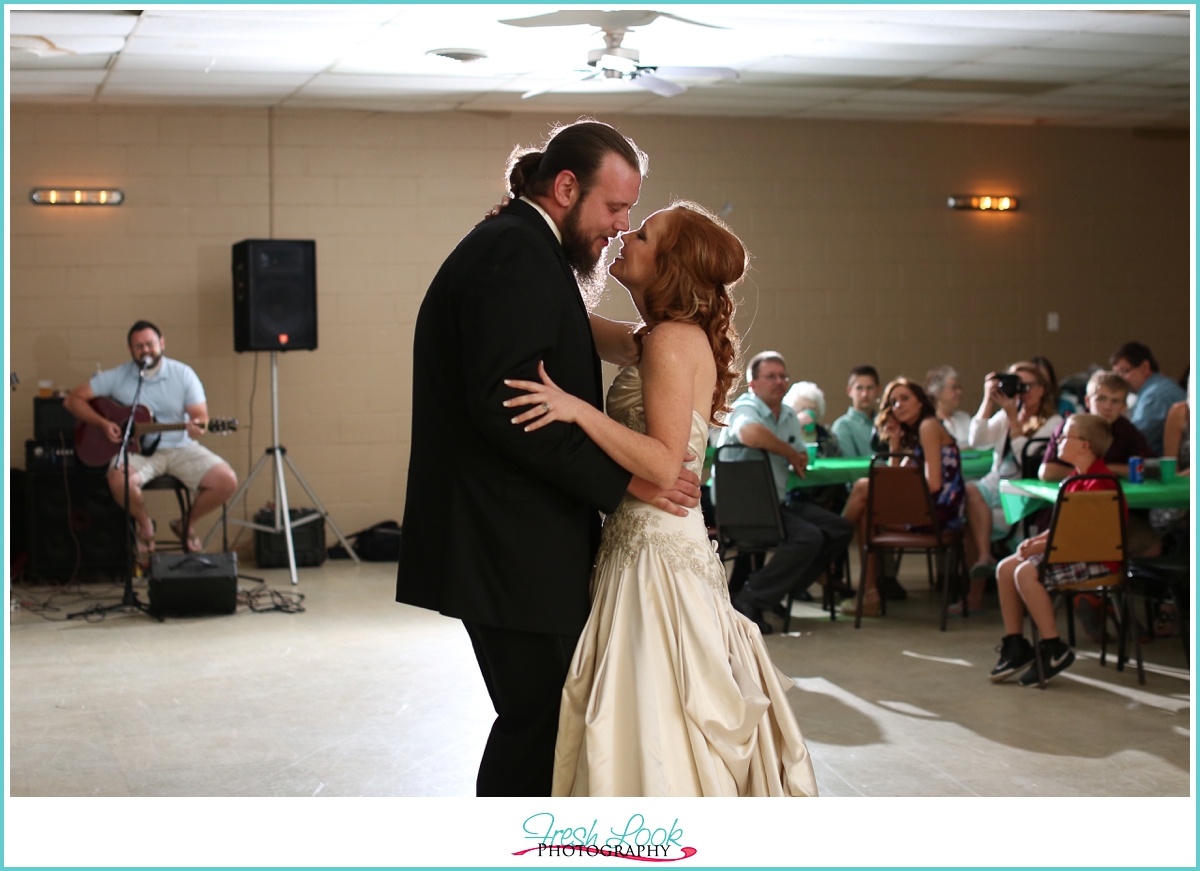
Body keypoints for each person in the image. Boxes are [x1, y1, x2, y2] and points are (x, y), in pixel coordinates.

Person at [395, 122, 701, 798]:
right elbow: (513, 409)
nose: (621, 227)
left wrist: (674, 340)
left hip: (514, 539)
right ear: (566, 187)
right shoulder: (515, 252)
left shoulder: (526, 247)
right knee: (542, 718)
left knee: (546, 715)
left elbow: (574, 336)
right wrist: (627, 483)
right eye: (615, 208)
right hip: (506, 541)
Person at [505, 202, 817, 796]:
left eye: (643, 234)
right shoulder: (654, 337)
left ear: (669, 265)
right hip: (642, 538)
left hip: (656, 551)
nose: (626, 234)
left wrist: (576, 412)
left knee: (652, 711)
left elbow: (661, 462)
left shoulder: (673, 340)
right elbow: (571, 316)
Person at [63, 320, 238, 555]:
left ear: (161, 343)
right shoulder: (119, 375)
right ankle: (145, 523)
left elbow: (200, 416)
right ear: (130, 349)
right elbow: (72, 399)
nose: (145, 350)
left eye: (150, 344)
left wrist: (197, 426)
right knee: (118, 480)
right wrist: (103, 424)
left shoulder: (183, 374)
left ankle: (186, 524)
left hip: (180, 447)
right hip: (138, 452)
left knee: (227, 480)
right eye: (138, 346)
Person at [717, 352, 855, 635]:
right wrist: (790, 453)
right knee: (808, 537)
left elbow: (801, 453)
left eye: (783, 376)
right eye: (771, 376)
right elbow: (750, 435)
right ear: (753, 384)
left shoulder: (789, 415)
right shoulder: (744, 407)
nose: (780, 382)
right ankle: (751, 598)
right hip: (745, 509)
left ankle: (774, 591)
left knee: (839, 528)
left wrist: (799, 457)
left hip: (777, 502)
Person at [988, 414, 1122, 687]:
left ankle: (1053, 647)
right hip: (1073, 550)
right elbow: (1064, 525)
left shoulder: (1100, 484)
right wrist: (1037, 541)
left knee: (1026, 572)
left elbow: (1083, 536)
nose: (1058, 440)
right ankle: (1015, 644)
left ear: (1085, 445)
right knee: (1006, 567)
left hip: (1098, 558)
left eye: (1065, 436)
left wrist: (1040, 545)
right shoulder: (1076, 478)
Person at [840, 378, 966, 617]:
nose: (898, 406)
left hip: (939, 515)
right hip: (924, 511)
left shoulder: (928, 426)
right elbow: (894, 477)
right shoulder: (913, 435)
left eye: (905, 398)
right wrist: (895, 441)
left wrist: (895, 497)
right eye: (893, 402)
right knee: (867, 513)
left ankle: (835, 544)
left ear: (920, 401)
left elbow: (935, 484)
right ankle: (870, 595)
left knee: (862, 487)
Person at [961, 362, 1063, 610]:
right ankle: (982, 569)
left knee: (971, 512)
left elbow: (1029, 463)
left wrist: (1013, 421)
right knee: (968, 504)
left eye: (1027, 386)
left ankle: (979, 589)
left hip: (1025, 494)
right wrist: (988, 401)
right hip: (994, 489)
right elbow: (977, 440)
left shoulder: (1053, 422)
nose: (1022, 392)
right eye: (1016, 386)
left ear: (1042, 389)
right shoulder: (1007, 413)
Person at [1039, 371, 1153, 482]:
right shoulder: (1069, 427)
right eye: (1101, 399)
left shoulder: (1126, 429)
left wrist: (1108, 469)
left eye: (1115, 401)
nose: (1108, 407)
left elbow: (1148, 467)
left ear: (1124, 407)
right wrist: (1099, 472)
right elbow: (1047, 472)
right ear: (1087, 401)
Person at [1111, 341, 1186, 454]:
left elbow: (1135, 441)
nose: (1121, 379)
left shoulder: (1157, 395)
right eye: (1117, 374)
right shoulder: (1154, 389)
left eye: (1125, 371)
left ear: (1145, 367)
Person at [831, 365, 881, 457]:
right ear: (849, 391)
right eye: (859, 388)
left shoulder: (886, 423)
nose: (865, 394)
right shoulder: (842, 426)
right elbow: (850, 467)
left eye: (870, 388)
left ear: (878, 390)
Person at [783, 380, 839, 457]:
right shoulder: (784, 433)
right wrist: (795, 425)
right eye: (802, 409)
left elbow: (836, 458)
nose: (807, 413)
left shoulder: (826, 434)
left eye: (812, 409)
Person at [924, 365, 974, 447]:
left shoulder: (964, 418)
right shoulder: (930, 423)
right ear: (937, 393)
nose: (959, 392)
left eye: (959, 388)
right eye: (954, 388)